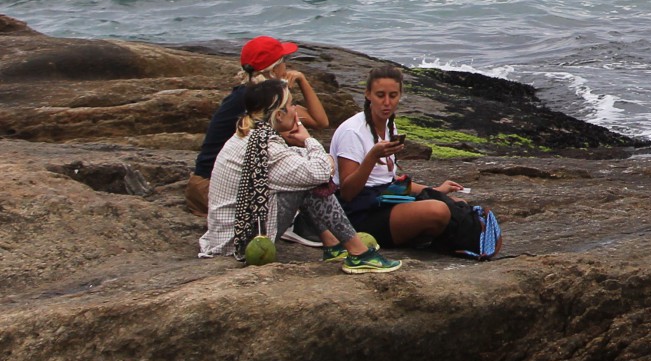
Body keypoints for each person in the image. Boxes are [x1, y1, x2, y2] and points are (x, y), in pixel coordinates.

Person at [198, 79, 402, 274]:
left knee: (306, 177)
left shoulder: (250, 134)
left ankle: (332, 244)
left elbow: (300, 164)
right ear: (279, 115)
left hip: (226, 235)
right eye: (291, 104)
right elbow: (319, 172)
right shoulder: (267, 147)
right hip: (240, 244)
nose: (296, 109)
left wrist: (317, 159)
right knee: (310, 184)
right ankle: (359, 253)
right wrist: (309, 140)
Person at [333, 64, 497, 256]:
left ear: (400, 95)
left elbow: (388, 182)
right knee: (438, 211)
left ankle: (442, 240)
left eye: (393, 95)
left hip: (382, 200)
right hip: (358, 213)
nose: (386, 102)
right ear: (368, 94)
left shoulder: (388, 127)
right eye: (380, 95)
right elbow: (347, 193)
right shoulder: (352, 132)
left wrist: (434, 190)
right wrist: (372, 157)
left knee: (454, 202)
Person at [185, 35, 331, 216]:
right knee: (308, 179)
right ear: (276, 69)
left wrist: (302, 80)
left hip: (209, 184)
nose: (287, 66)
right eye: (284, 61)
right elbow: (318, 123)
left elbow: (320, 122)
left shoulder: (251, 94)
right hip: (211, 188)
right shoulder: (256, 101)